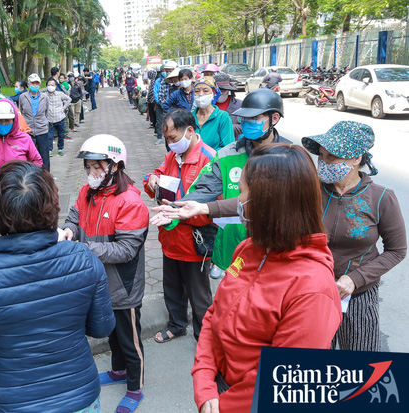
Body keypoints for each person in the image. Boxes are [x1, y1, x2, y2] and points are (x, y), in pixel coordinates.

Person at [0, 161, 116, 413]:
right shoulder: (83, 259)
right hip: (80, 397)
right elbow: (102, 327)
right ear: (51, 206)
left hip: (15, 403)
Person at [191, 144, 342, 413]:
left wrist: (219, 404)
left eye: (242, 192)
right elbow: (215, 314)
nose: (238, 201)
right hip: (218, 390)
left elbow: (282, 380)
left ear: (268, 204)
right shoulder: (249, 249)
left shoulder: (312, 289)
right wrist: (204, 380)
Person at [151, 88, 290, 277]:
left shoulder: (289, 156)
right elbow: (205, 187)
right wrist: (177, 209)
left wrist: (204, 209)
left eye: (254, 119)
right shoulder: (228, 153)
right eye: (245, 119)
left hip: (275, 248)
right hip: (232, 247)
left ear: (274, 118)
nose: (248, 124)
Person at [302, 121, 407, 351]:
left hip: (358, 296)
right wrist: (208, 208)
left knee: (361, 371)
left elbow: (397, 251)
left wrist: (354, 279)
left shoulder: (381, 198)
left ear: (356, 158)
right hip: (313, 293)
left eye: (332, 157)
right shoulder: (310, 190)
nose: (324, 162)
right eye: (321, 155)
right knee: (313, 369)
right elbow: (261, 203)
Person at [62, 135, 149, 413]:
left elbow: (126, 250)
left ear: (115, 166)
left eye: (97, 167)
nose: (91, 173)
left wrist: (85, 247)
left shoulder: (130, 202)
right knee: (111, 333)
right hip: (96, 282)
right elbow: (75, 217)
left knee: (129, 339)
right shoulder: (88, 192)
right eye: (88, 167)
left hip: (123, 286)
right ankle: (118, 371)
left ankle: (135, 388)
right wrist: (69, 231)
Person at [143, 109, 216, 344]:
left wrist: (181, 213)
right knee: (172, 287)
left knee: (198, 293)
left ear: (190, 131)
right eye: (167, 139)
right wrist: (152, 180)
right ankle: (177, 325)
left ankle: (204, 338)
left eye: (173, 138)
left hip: (195, 239)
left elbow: (215, 205)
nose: (170, 144)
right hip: (170, 236)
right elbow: (158, 174)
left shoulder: (210, 159)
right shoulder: (172, 156)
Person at [0, 98, 43, 168]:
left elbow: (37, 161)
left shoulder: (25, 138)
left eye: (7, 120)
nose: (3, 123)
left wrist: (27, 174)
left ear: (14, 120)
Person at [191, 77, 234, 151]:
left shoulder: (223, 117)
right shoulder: (189, 117)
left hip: (215, 161)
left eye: (206, 91)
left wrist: (207, 157)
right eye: (197, 91)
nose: (201, 94)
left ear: (213, 94)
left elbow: (228, 147)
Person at [19, 73, 51, 171]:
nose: (35, 85)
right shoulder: (22, 97)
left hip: (42, 130)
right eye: (33, 83)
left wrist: (43, 123)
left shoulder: (44, 97)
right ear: (28, 84)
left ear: (40, 85)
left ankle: (46, 176)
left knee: (44, 156)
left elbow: (46, 113)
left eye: (37, 83)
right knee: (28, 157)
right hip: (27, 131)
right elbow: (21, 113)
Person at [45, 78, 72, 157]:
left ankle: (60, 149)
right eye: (49, 85)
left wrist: (64, 107)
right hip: (50, 120)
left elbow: (69, 99)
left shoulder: (59, 94)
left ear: (55, 86)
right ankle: (49, 150)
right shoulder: (44, 95)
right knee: (49, 136)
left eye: (52, 85)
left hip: (60, 118)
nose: (50, 86)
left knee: (61, 135)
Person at [213, 72, 243, 139]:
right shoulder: (208, 105)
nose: (220, 93)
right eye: (218, 90)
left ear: (229, 90)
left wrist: (227, 127)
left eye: (224, 90)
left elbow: (246, 126)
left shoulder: (240, 105)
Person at [154, 61, 178, 145]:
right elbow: (160, 96)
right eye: (166, 70)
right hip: (165, 110)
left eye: (170, 70)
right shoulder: (163, 82)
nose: (168, 72)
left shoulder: (179, 84)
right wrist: (165, 106)